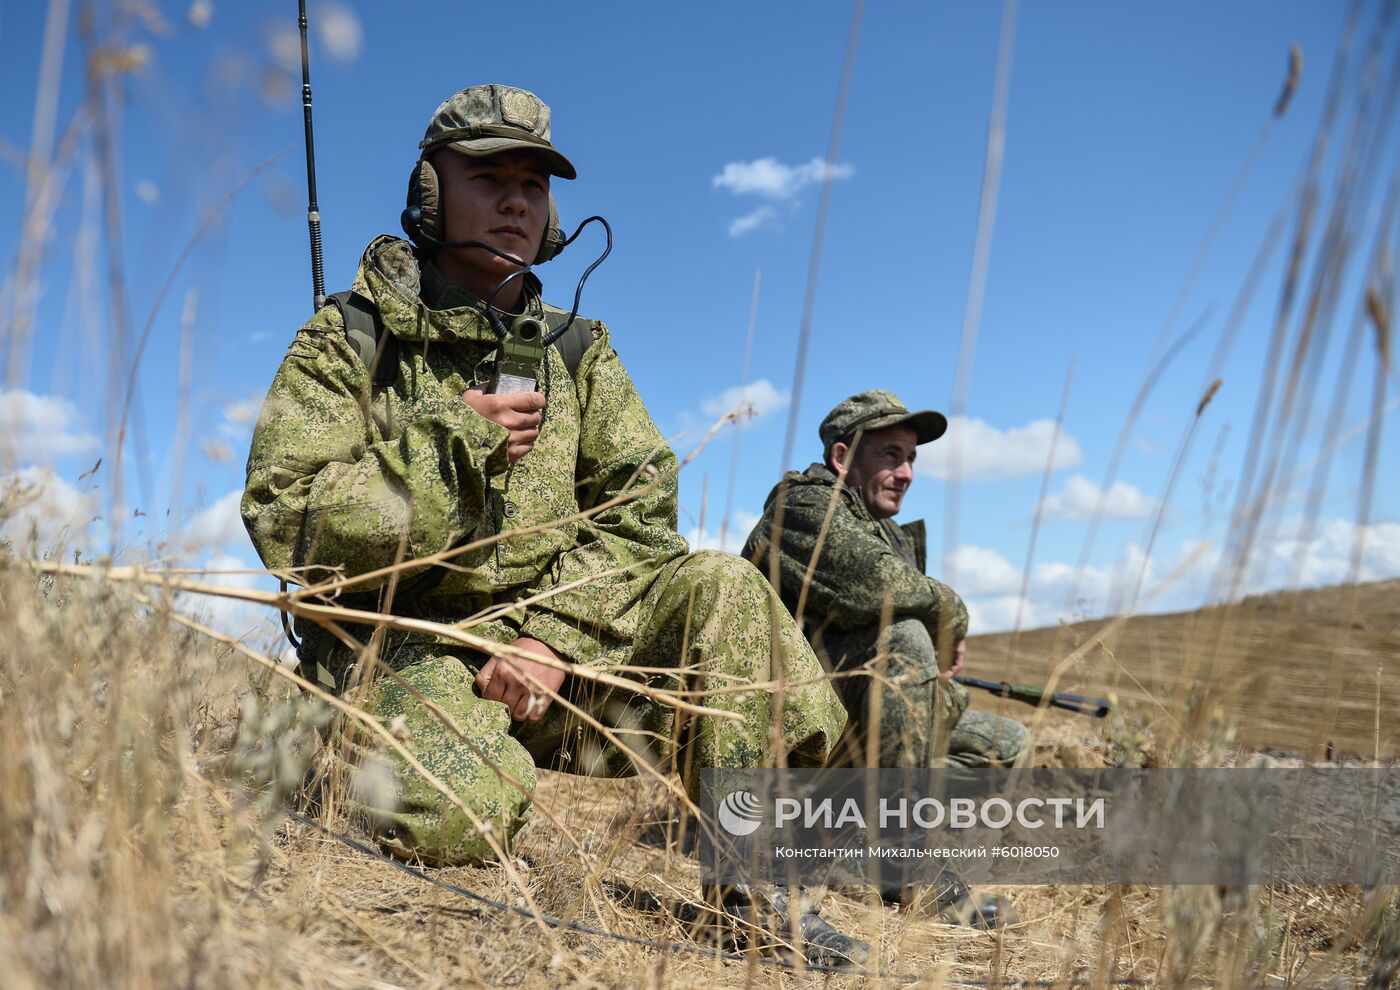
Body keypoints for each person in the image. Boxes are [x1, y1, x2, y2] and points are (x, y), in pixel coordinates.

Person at [242, 84, 863, 963]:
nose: (515, 201)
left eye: (533, 184)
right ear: (430, 194)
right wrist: (452, 440)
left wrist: (550, 639)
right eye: (488, 176)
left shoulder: (581, 352)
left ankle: (754, 888)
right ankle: (348, 745)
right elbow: (286, 517)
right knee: (458, 818)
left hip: (559, 665)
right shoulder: (349, 340)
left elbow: (641, 516)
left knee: (725, 590)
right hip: (410, 648)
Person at [743, 390, 1027, 922]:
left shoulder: (887, 532)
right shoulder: (802, 508)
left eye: (912, 458)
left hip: (854, 740)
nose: (907, 473)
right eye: (891, 455)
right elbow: (881, 585)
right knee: (906, 643)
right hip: (797, 741)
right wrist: (949, 618)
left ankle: (856, 840)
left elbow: (903, 590)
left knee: (1006, 745)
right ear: (842, 458)